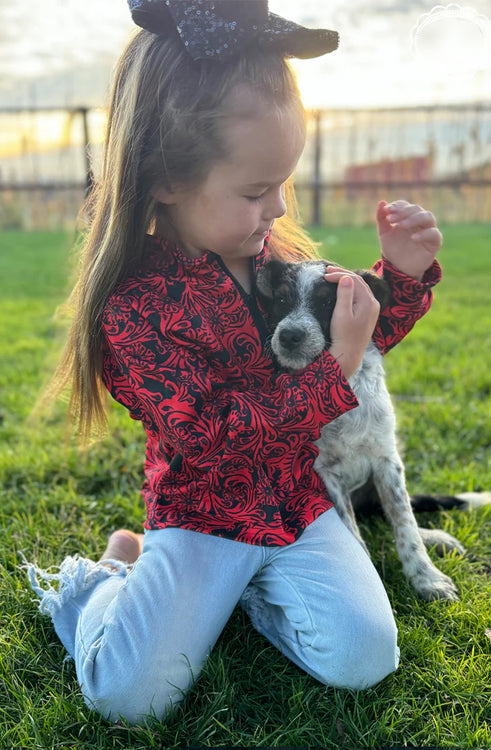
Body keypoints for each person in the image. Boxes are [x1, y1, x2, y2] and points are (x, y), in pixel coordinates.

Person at [27, 0, 444, 726]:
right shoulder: (137, 310)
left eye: (283, 184)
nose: (277, 209)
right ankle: (107, 577)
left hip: (299, 503)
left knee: (365, 656)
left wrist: (399, 279)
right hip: (203, 517)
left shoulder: (273, 264)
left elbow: (353, 333)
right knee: (127, 698)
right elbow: (211, 435)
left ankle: (250, 597)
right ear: (165, 179)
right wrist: (330, 376)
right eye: (256, 192)